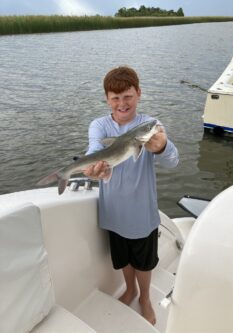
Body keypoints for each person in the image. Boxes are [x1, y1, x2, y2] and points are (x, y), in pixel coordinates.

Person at [84, 66, 179, 325]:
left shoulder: (151, 126)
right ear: (107, 99)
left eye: (127, 96)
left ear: (138, 93)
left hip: (142, 214)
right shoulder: (99, 125)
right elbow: (94, 148)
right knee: (124, 260)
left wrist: (163, 147)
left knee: (143, 263)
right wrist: (93, 169)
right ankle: (130, 289)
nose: (122, 103)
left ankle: (145, 297)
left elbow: (173, 162)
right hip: (113, 213)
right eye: (115, 98)